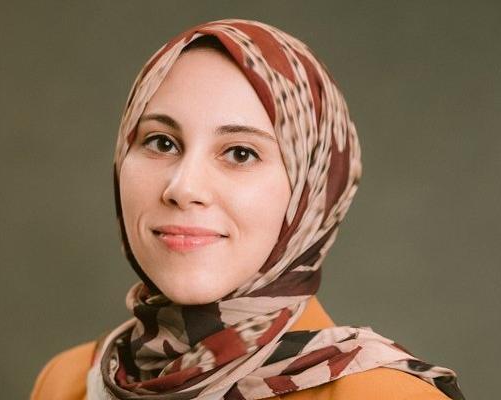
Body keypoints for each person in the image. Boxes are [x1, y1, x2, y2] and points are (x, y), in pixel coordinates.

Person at [30, 19, 465, 400]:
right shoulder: (67, 382)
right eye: (161, 142)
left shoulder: (386, 398)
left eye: (239, 153)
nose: (183, 188)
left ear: (311, 194)